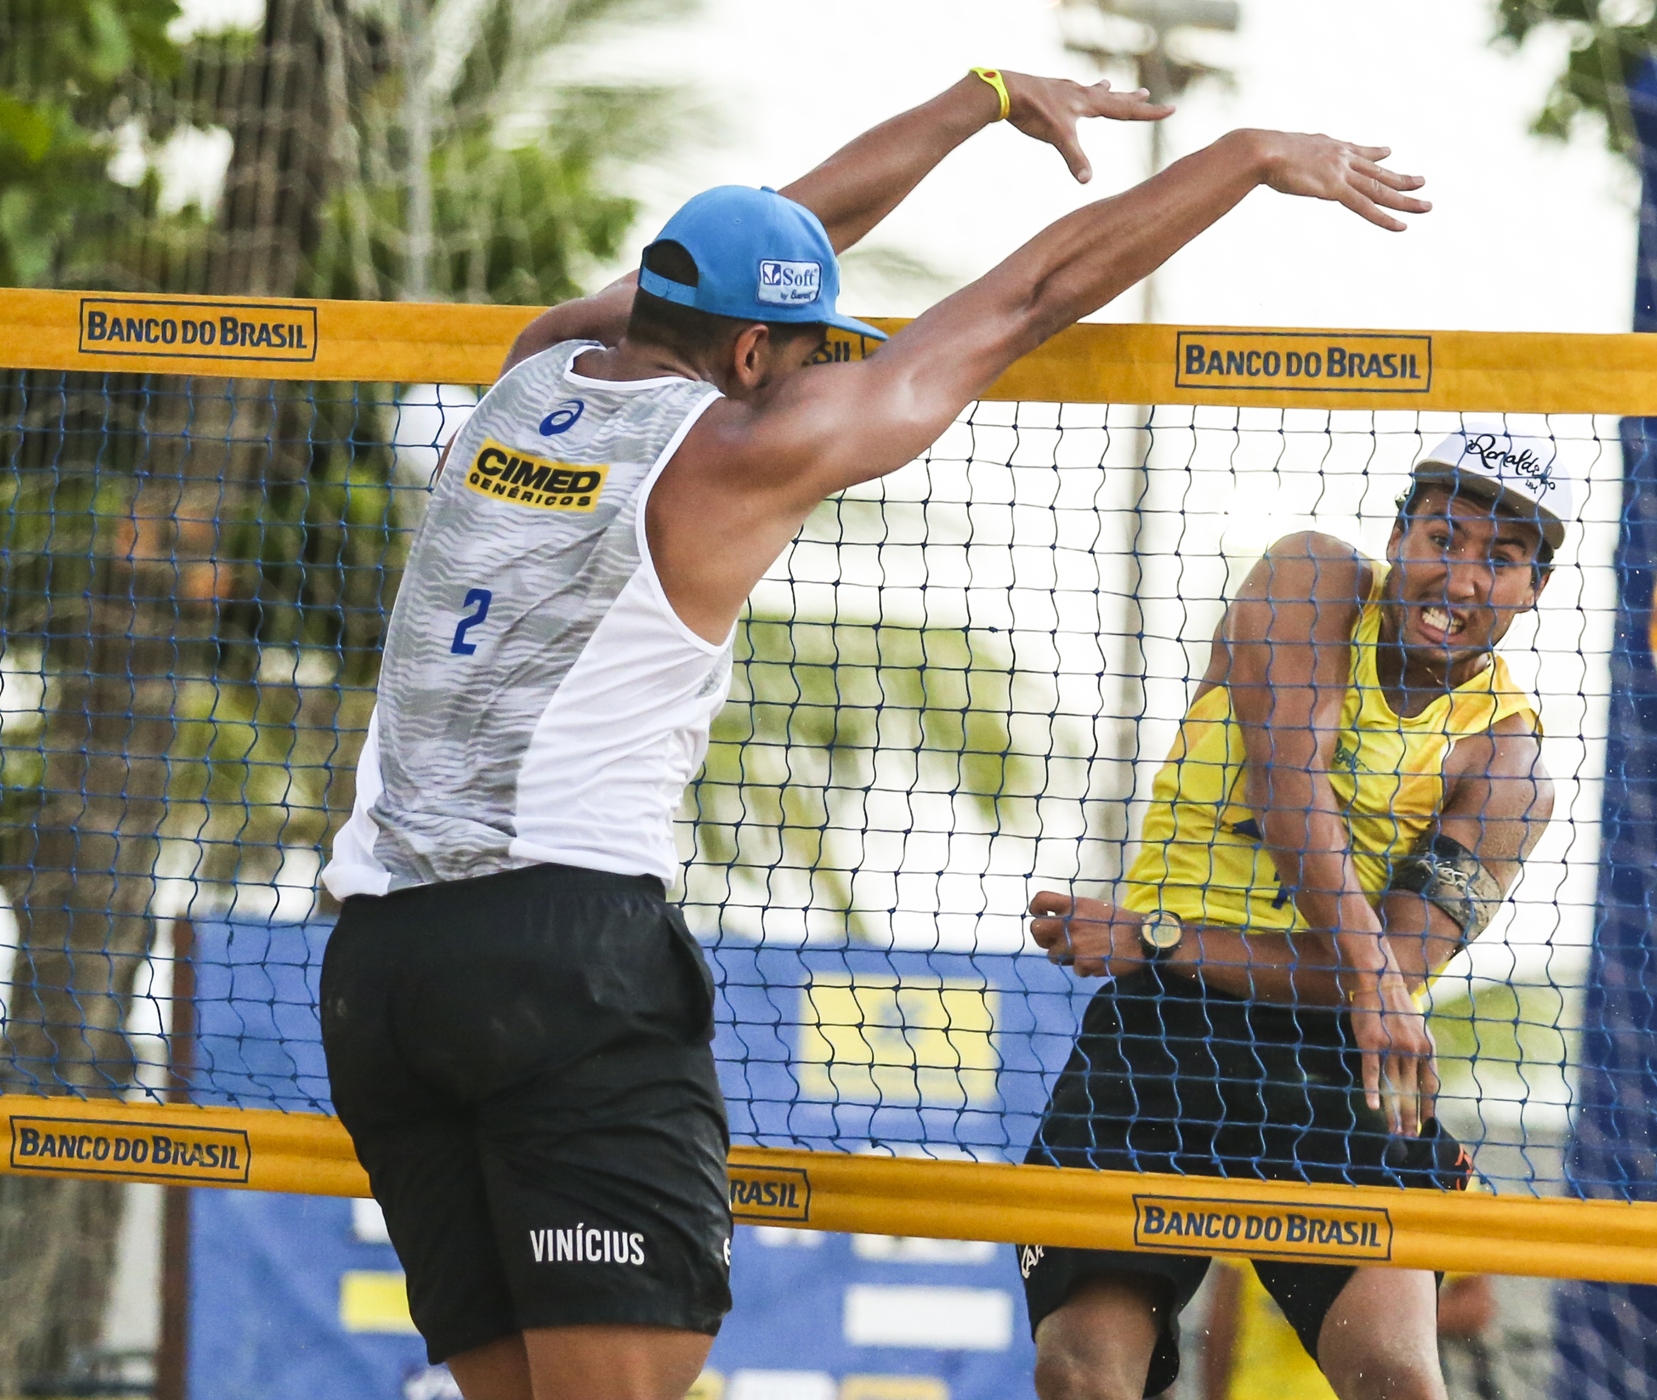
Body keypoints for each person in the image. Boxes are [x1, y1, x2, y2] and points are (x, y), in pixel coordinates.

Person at [316, 57, 1432, 1400]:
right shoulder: (737, 450)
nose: (800, 378)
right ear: (748, 356)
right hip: (557, 957)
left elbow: (774, 226)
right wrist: (1247, 154)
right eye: (794, 355)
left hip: (376, 964)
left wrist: (982, 101)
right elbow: (1025, 299)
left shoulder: (536, 360)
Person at [1021, 430, 1567, 1400]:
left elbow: (1381, 979)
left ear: (1533, 589)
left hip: (1327, 1046)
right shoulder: (1312, 573)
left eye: (1503, 558)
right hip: (1166, 1030)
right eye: (1445, 535)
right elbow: (1288, 787)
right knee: (1081, 1374)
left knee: (1400, 1379)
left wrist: (1161, 936)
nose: (1464, 574)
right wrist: (1374, 983)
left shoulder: (1509, 767)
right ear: (1399, 533)